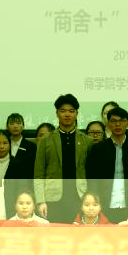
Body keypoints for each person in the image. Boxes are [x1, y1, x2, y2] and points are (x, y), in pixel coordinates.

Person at [34, 94, 92, 223]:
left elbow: (91, 172)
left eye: (71, 111)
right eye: (63, 111)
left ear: (76, 114)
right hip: (53, 199)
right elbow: (38, 173)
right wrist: (40, 201)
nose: (67, 114)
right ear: (57, 113)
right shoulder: (46, 140)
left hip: (79, 197)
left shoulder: (87, 141)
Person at [85, 106, 128, 223]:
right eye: (113, 121)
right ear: (108, 124)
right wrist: (94, 201)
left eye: (122, 120)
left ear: (127, 123)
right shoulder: (98, 149)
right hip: (104, 203)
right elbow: (92, 177)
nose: (118, 124)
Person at [6, 113, 36, 178]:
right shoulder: (3, 145)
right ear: (7, 127)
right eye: (11, 123)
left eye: (18, 123)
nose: (15, 126)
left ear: (23, 126)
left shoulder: (31, 146)